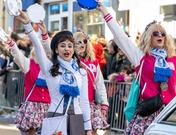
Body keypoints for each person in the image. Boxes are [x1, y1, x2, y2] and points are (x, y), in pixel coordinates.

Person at [96, 1, 176, 134]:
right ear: (149, 37)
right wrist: (104, 11)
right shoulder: (141, 57)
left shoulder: (172, 58)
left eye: (162, 34)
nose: (160, 36)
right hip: (148, 113)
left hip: (169, 115)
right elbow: (121, 37)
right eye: (155, 34)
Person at [15, 10, 92, 135]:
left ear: (73, 49)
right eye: (62, 46)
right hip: (55, 116)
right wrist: (28, 25)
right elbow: (38, 46)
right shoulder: (49, 67)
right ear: (56, 49)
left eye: (69, 46)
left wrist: (88, 127)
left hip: (77, 119)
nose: (67, 49)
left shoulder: (81, 72)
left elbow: (84, 101)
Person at [0, 21, 51, 135]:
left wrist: (44, 33)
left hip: (49, 105)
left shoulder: (51, 65)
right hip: (33, 104)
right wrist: (11, 43)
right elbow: (18, 55)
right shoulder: (29, 63)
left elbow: (49, 48)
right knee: (31, 132)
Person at [74, 32, 109, 134]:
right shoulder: (70, 62)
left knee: (92, 132)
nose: (82, 44)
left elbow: (99, 84)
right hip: (75, 105)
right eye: (78, 42)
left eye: (84, 41)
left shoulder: (94, 62)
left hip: (91, 104)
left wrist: (104, 103)